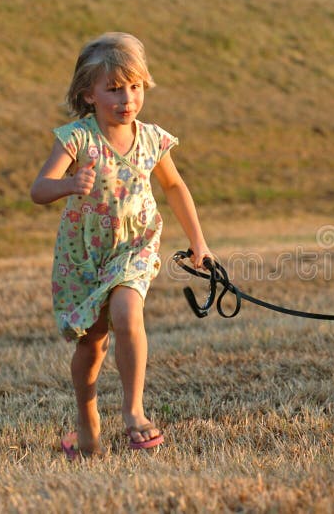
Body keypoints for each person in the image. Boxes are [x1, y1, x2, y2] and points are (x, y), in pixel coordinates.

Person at [30, 32, 212, 458]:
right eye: (113, 89)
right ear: (88, 94)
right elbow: (38, 189)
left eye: (134, 87)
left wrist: (198, 241)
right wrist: (69, 184)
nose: (126, 98)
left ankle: (134, 412)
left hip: (135, 244)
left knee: (128, 312)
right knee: (91, 342)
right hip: (85, 255)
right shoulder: (77, 138)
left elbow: (175, 186)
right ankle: (87, 419)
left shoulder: (151, 139)